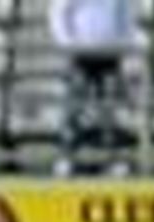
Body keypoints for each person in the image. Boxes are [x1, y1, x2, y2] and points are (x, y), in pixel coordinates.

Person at [48, 0, 138, 176]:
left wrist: (123, 44)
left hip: (110, 54)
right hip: (80, 54)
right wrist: (68, 43)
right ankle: (67, 157)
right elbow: (59, 13)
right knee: (74, 108)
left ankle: (112, 159)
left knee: (109, 110)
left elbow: (127, 17)